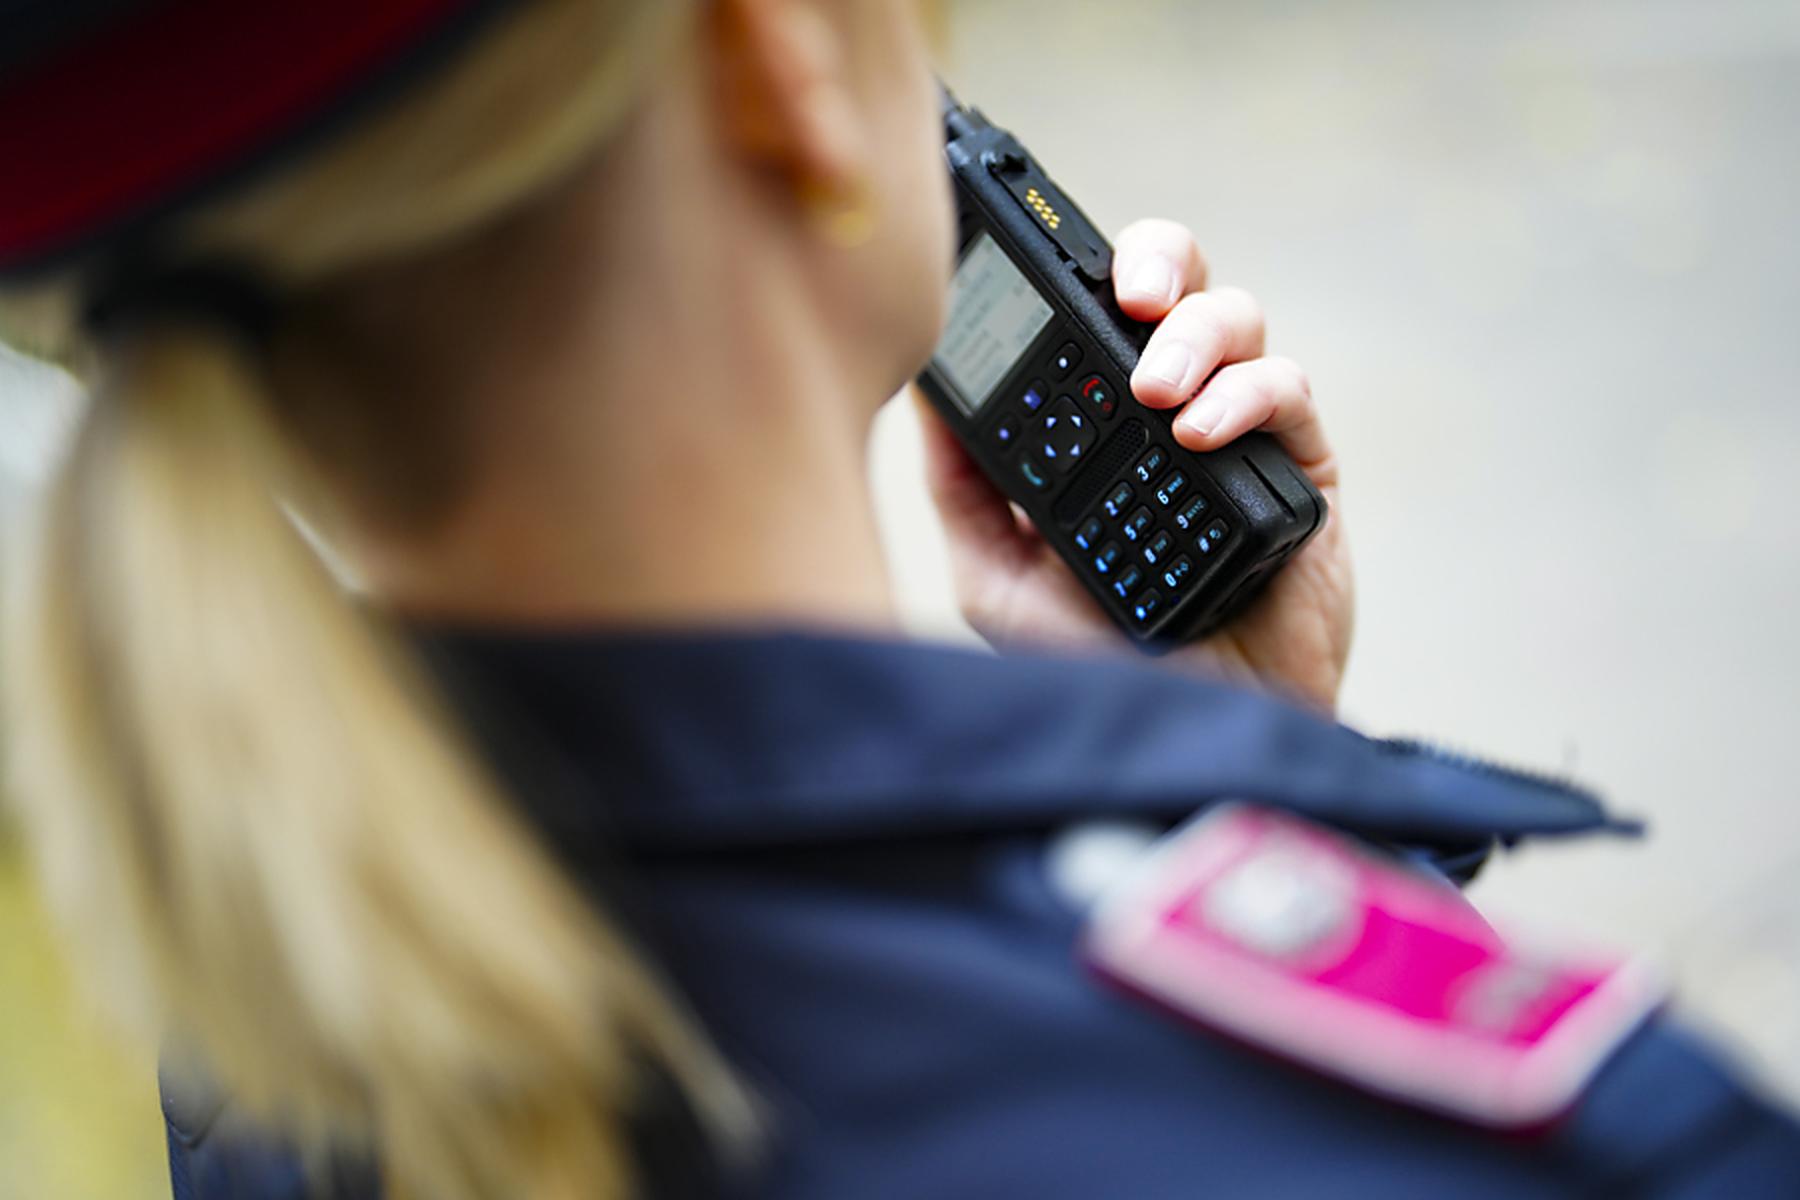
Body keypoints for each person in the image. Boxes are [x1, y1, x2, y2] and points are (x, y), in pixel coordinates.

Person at [0, 1, 1794, 1197]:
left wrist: (1203, 757)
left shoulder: (291, 1054)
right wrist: (1262, 839)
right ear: (778, 67)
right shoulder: (1537, 1143)